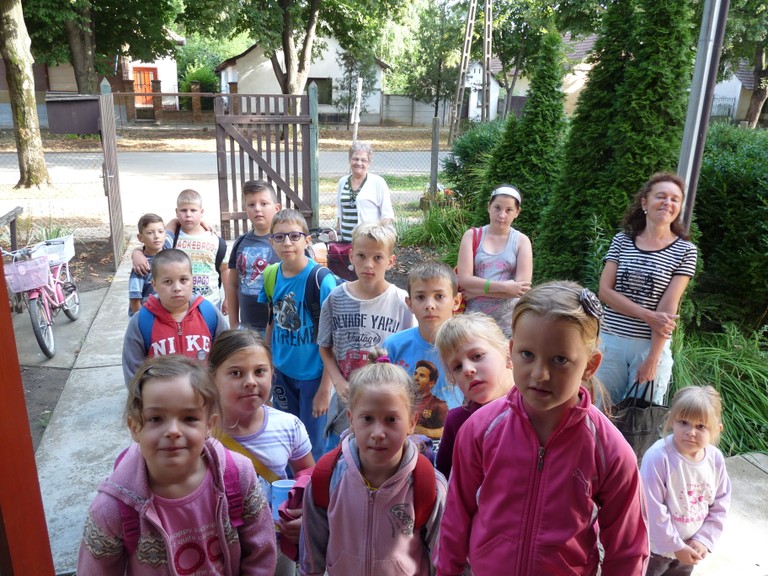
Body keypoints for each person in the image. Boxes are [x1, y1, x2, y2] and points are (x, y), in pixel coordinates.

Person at [436, 281, 649, 576]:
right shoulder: (479, 430)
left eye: (559, 360)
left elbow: (628, 550)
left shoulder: (610, 451)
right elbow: (456, 515)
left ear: (590, 365)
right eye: (527, 354)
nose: (539, 374)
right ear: (511, 351)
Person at [78, 355, 277, 575]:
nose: (173, 431)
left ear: (209, 425)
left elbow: (261, 552)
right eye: (155, 419)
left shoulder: (239, 475)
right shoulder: (111, 510)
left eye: (189, 418)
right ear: (134, 427)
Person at [300, 349, 448, 576]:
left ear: (412, 422)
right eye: (367, 418)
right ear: (351, 420)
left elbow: (443, 559)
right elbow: (312, 552)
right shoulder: (327, 478)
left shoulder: (429, 486)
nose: (378, 433)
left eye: (391, 419)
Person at [210, 329, 315, 576]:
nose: (250, 381)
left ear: (272, 373)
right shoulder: (200, 431)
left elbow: (309, 476)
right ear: (212, 377)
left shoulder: (289, 426)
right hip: (217, 550)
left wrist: (304, 516)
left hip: (275, 547)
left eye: (259, 371)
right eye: (236, 373)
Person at [597, 172, 698, 407]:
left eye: (674, 199)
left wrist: (653, 358)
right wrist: (648, 315)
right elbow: (605, 292)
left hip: (649, 347)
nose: (667, 203)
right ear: (644, 202)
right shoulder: (622, 240)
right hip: (611, 342)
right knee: (600, 410)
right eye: (661, 196)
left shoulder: (685, 251)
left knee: (641, 419)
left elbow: (667, 309)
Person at [318, 221, 414, 451]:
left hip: (386, 403)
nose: (368, 264)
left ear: (391, 261)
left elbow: (410, 350)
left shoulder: (402, 302)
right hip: (345, 401)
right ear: (351, 256)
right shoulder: (335, 299)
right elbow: (324, 345)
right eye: (361, 256)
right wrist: (337, 381)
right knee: (338, 457)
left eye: (378, 257)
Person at [258, 209, 337, 462]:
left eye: (294, 236)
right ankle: (290, 484)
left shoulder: (320, 280)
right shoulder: (271, 275)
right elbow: (271, 322)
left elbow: (332, 338)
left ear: (307, 240)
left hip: (313, 377)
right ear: (271, 241)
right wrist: (267, 366)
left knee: (313, 444)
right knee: (286, 437)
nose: (287, 243)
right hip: (282, 373)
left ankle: (313, 485)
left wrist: (325, 389)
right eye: (279, 237)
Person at [641, 385, 731, 576]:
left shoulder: (715, 459)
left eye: (701, 426)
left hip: (691, 546)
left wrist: (704, 539)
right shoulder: (658, 457)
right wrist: (675, 546)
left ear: (717, 429)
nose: (691, 432)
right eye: (683, 422)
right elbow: (652, 508)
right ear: (672, 420)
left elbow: (721, 503)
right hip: (655, 548)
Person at [383, 261, 465, 443]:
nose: (430, 305)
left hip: (456, 440)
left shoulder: (467, 346)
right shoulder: (393, 346)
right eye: (420, 297)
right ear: (409, 303)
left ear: (456, 302)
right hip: (404, 442)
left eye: (439, 296)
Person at [122, 249, 227, 384]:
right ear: (154, 285)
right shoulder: (141, 321)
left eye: (183, 280)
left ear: (192, 280)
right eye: (168, 281)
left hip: (204, 393)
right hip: (161, 396)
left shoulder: (209, 313)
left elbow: (227, 355)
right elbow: (133, 371)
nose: (177, 287)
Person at [433, 312, 515, 480]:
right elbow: (446, 481)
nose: (467, 370)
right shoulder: (457, 422)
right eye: (457, 367)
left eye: (477, 356)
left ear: (508, 353)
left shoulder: (538, 409)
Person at [132, 188, 228, 311]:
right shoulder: (171, 238)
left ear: (201, 212)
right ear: (177, 212)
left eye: (193, 210)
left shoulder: (214, 240)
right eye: (183, 210)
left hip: (210, 304)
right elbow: (152, 248)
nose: (188, 214)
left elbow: (225, 269)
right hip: (177, 307)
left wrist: (228, 298)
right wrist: (137, 253)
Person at [456, 184, 532, 338]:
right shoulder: (472, 236)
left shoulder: (521, 241)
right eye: (497, 208)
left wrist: (478, 291)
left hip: (509, 324)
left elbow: (520, 289)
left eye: (509, 210)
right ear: (489, 207)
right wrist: (505, 287)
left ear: (517, 212)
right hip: (475, 322)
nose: (502, 215)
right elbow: (464, 280)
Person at [226, 180, 282, 333]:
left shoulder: (286, 242)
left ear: (277, 208)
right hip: (248, 328)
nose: (257, 209)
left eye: (264, 203)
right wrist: (234, 324)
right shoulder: (240, 242)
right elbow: (232, 284)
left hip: (280, 329)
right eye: (251, 205)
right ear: (246, 210)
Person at [336, 142, 394, 242]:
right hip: (345, 243)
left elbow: (387, 215)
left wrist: (378, 236)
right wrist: (337, 232)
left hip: (368, 243)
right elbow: (340, 212)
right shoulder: (342, 181)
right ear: (349, 160)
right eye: (355, 159)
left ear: (369, 163)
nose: (359, 163)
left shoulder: (378, 182)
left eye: (363, 160)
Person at [128, 213, 165, 316]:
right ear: (140, 238)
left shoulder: (168, 253)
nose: (157, 236)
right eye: (150, 233)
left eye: (160, 231)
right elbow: (135, 300)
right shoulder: (141, 266)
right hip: (146, 316)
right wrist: (141, 321)